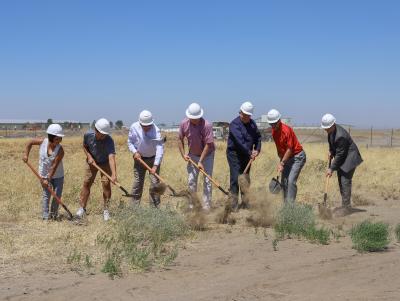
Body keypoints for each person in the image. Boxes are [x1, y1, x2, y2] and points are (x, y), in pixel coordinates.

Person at [321, 113, 363, 215]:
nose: (325, 130)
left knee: (345, 181)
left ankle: (346, 208)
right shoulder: (331, 131)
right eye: (325, 128)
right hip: (343, 157)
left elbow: (340, 155)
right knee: (341, 180)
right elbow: (332, 145)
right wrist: (331, 151)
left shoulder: (341, 136)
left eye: (327, 128)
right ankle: (345, 205)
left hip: (350, 158)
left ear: (332, 125)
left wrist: (331, 168)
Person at [76, 118, 117, 221]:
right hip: (92, 161)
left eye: (105, 134)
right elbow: (85, 146)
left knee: (106, 185)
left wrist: (114, 175)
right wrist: (89, 157)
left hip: (105, 163)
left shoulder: (109, 140)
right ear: (95, 130)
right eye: (101, 134)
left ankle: (106, 210)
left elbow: (111, 157)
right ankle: (82, 208)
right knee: (87, 183)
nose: (103, 136)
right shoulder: (88, 135)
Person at [22, 124, 65, 220]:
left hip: (58, 175)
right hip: (43, 175)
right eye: (57, 139)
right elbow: (29, 142)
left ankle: (54, 215)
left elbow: (54, 166)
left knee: (57, 195)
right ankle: (45, 216)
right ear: (51, 137)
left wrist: (48, 179)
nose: (59, 141)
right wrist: (26, 154)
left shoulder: (60, 150)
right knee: (46, 194)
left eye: (60, 139)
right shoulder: (42, 142)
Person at [178, 103, 215, 210]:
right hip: (192, 155)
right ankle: (191, 205)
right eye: (192, 118)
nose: (194, 120)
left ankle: (207, 207)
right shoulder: (184, 123)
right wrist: (183, 154)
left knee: (207, 180)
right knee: (191, 180)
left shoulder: (207, 125)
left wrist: (201, 161)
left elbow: (208, 144)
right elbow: (180, 139)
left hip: (207, 156)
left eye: (196, 118)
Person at [226, 101, 261, 209]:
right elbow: (240, 142)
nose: (246, 117)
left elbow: (258, 137)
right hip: (234, 155)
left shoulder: (252, 124)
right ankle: (233, 205)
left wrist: (257, 150)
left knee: (245, 179)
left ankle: (245, 203)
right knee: (235, 178)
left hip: (247, 156)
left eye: (248, 115)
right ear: (240, 112)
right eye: (244, 114)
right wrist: (250, 152)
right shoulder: (234, 125)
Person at [267, 109, 306, 203]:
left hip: (297, 157)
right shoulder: (274, 132)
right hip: (286, 158)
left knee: (291, 181)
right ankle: (286, 206)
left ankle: (291, 209)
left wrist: (282, 162)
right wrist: (281, 161)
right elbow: (279, 148)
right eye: (271, 124)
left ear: (279, 121)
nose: (273, 126)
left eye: (274, 124)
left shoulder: (286, 130)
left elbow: (289, 149)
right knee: (284, 181)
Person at [128, 110, 164, 207]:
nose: (146, 127)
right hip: (139, 159)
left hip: (153, 160)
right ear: (140, 123)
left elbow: (160, 149)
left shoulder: (156, 131)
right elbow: (130, 142)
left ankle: (154, 209)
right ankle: (133, 208)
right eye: (144, 126)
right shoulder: (134, 127)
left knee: (155, 184)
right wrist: (135, 152)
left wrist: (155, 166)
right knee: (138, 183)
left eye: (148, 125)